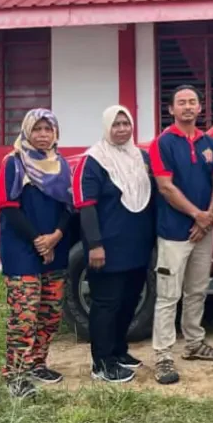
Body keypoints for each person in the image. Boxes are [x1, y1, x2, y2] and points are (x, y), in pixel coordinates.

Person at [149, 85, 213, 385]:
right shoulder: (163, 143)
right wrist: (197, 215)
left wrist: (206, 219)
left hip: (202, 231)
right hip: (174, 231)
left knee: (197, 289)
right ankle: (163, 355)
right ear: (171, 109)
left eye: (192, 102)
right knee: (169, 294)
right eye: (181, 102)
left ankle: (194, 342)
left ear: (199, 108)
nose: (187, 107)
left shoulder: (208, 141)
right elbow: (165, 187)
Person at [74, 106, 154, 384]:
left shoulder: (140, 156)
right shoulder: (94, 160)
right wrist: (94, 244)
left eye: (126, 123)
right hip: (106, 248)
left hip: (136, 246)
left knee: (129, 301)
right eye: (116, 124)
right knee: (106, 304)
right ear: (107, 127)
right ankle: (102, 362)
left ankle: (119, 351)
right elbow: (86, 206)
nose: (122, 129)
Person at [0, 108, 74, 398]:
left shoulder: (62, 165)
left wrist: (55, 237)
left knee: (51, 312)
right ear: (27, 131)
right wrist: (38, 241)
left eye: (48, 129)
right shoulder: (13, 163)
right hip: (21, 249)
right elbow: (9, 208)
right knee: (24, 315)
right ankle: (15, 373)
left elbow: (69, 208)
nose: (43, 135)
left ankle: (37, 363)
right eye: (37, 129)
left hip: (56, 247)